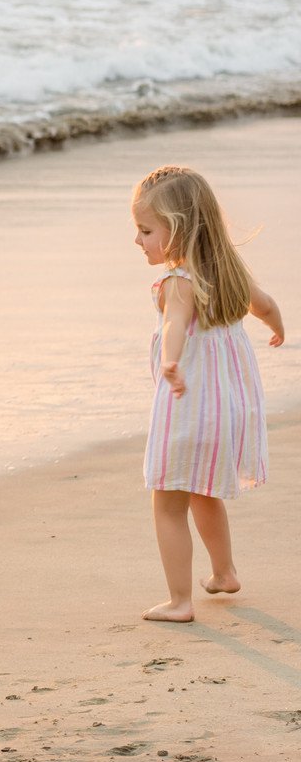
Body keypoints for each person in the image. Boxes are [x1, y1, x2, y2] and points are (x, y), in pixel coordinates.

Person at [131, 166, 283, 623]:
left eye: (146, 231)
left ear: (177, 229)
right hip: (227, 409)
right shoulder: (228, 271)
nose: (138, 240)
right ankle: (224, 572)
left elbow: (174, 324)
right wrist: (277, 327)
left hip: (190, 409)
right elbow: (266, 305)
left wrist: (170, 361)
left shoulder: (178, 282)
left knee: (168, 502)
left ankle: (180, 601)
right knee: (203, 491)